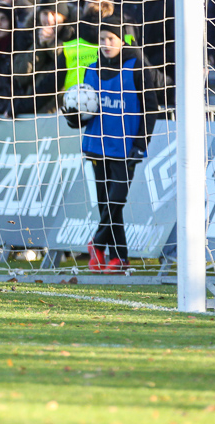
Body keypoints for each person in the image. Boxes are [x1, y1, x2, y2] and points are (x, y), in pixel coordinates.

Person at [63, 20, 160, 272]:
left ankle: (97, 242)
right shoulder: (91, 69)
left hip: (125, 147)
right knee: (106, 204)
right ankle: (119, 258)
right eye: (103, 39)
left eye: (111, 39)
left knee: (118, 198)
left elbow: (151, 108)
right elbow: (84, 112)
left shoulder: (136, 66)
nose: (106, 44)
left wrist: (142, 142)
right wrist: (72, 115)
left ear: (121, 40)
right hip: (96, 144)